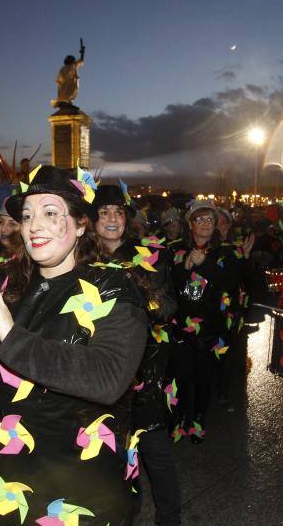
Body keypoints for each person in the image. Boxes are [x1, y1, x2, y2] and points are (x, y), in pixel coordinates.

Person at [0, 166, 147, 525]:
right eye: (28, 215)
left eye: (50, 213)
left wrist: (10, 336)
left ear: (81, 224)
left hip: (83, 486)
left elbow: (108, 378)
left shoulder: (115, 287)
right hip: (5, 485)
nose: (34, 226)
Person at [92, 184, 182, 525]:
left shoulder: (149, 255)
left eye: (118, 212)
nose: (112, 218)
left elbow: (170, 306)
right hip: (100, 371)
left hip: (145, 369)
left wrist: (137, 293)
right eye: (104, 212)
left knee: (155, 452)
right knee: (115, 454)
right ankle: (128, 513)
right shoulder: (82, 258)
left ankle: (169, 518)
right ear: (92, 219)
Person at [168, 200, 238, 443]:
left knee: (204, 379)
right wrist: (184, 267)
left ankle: (198, 422)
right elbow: (168, 285)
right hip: (180, 326)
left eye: (210, 219)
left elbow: (229, 284)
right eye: (200, 219)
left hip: (210, 327)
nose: (206, 224)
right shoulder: (176, 248)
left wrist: (204, 264)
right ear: (190, 223)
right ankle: (181, 420)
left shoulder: (226, 251)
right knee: (181, 376)